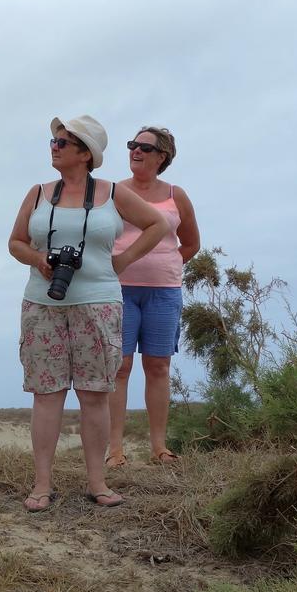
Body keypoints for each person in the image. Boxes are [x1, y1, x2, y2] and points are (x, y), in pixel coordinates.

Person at [8, 117, 165, 512]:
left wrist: (123, 261)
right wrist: (39, 259)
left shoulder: (112, 193)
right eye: (53, 141)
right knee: (47, 395)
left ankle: (99, 482)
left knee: (95, 394)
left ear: (85, 153)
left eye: (63, 142)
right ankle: (42, 484)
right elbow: (15, 242)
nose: (54, 147)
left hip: (98, 303)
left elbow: (156, 224)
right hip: (43, 304)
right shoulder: (39, 193)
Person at [107, 127, 199, 467]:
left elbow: (190, 244)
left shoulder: (177, 195)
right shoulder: (114, 192)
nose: (136, 151)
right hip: (118, 290)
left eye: (145, 147)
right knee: (120, 367)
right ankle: (114, 450)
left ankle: (159, 447)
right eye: (132, 145)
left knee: (158, 366)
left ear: (162, 157)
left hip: (164, 292)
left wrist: (165, 265)